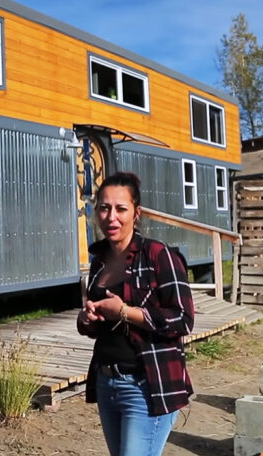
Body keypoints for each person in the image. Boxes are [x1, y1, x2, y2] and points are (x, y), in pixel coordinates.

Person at [77, 171, 194, 456]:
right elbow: (101, 325)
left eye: (121, 208)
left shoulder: (158, 255)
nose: (111, 217)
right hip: (107, 383)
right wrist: (86, 320)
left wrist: (126, 312)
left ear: (136, 213)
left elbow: (183, 319)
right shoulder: (99, 261)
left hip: (145, 386)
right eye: (104, 208)